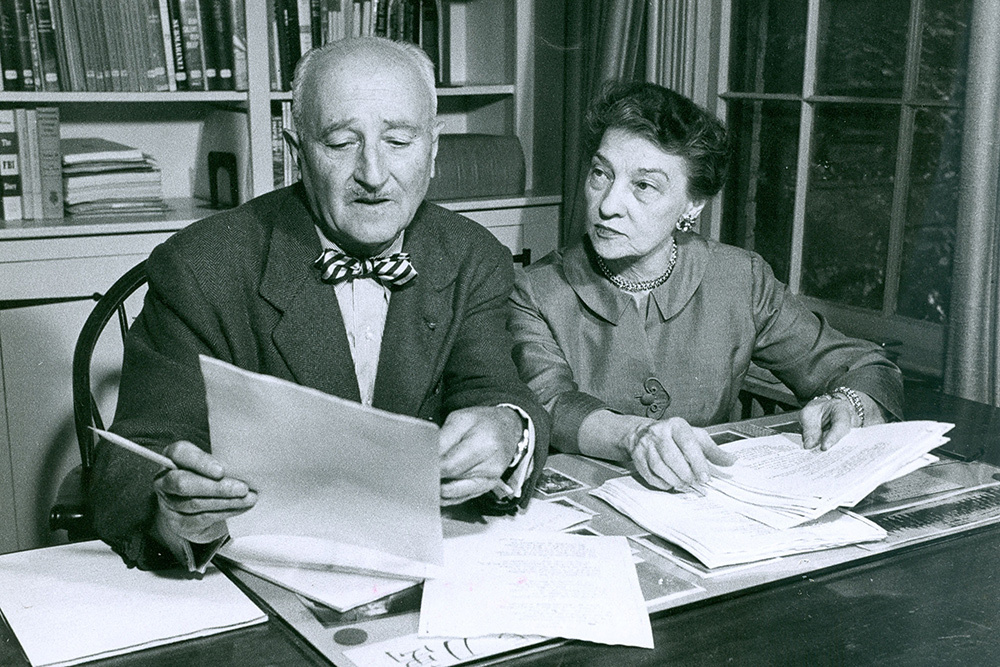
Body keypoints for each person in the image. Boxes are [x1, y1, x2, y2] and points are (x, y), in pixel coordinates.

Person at [90, 37, 549, 571]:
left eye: (398, 141)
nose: (374, 175)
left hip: (423, 567)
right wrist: (175, 513)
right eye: (340, 143)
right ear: (296, 149)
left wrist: (507, 430)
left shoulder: (474, 258)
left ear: (434, 148)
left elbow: (496, 390)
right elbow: (129, 463)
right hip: (260, 572)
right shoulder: (202, 266)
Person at [508, 80, 902, 493]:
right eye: (600, 174)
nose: (607, 205)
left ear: (693, 204)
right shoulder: (536, 290)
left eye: (643, 186)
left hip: (710, 503)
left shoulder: (739, 278)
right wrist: (635, 436)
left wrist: (852, 405)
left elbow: (862, 366)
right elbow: (550, 404)